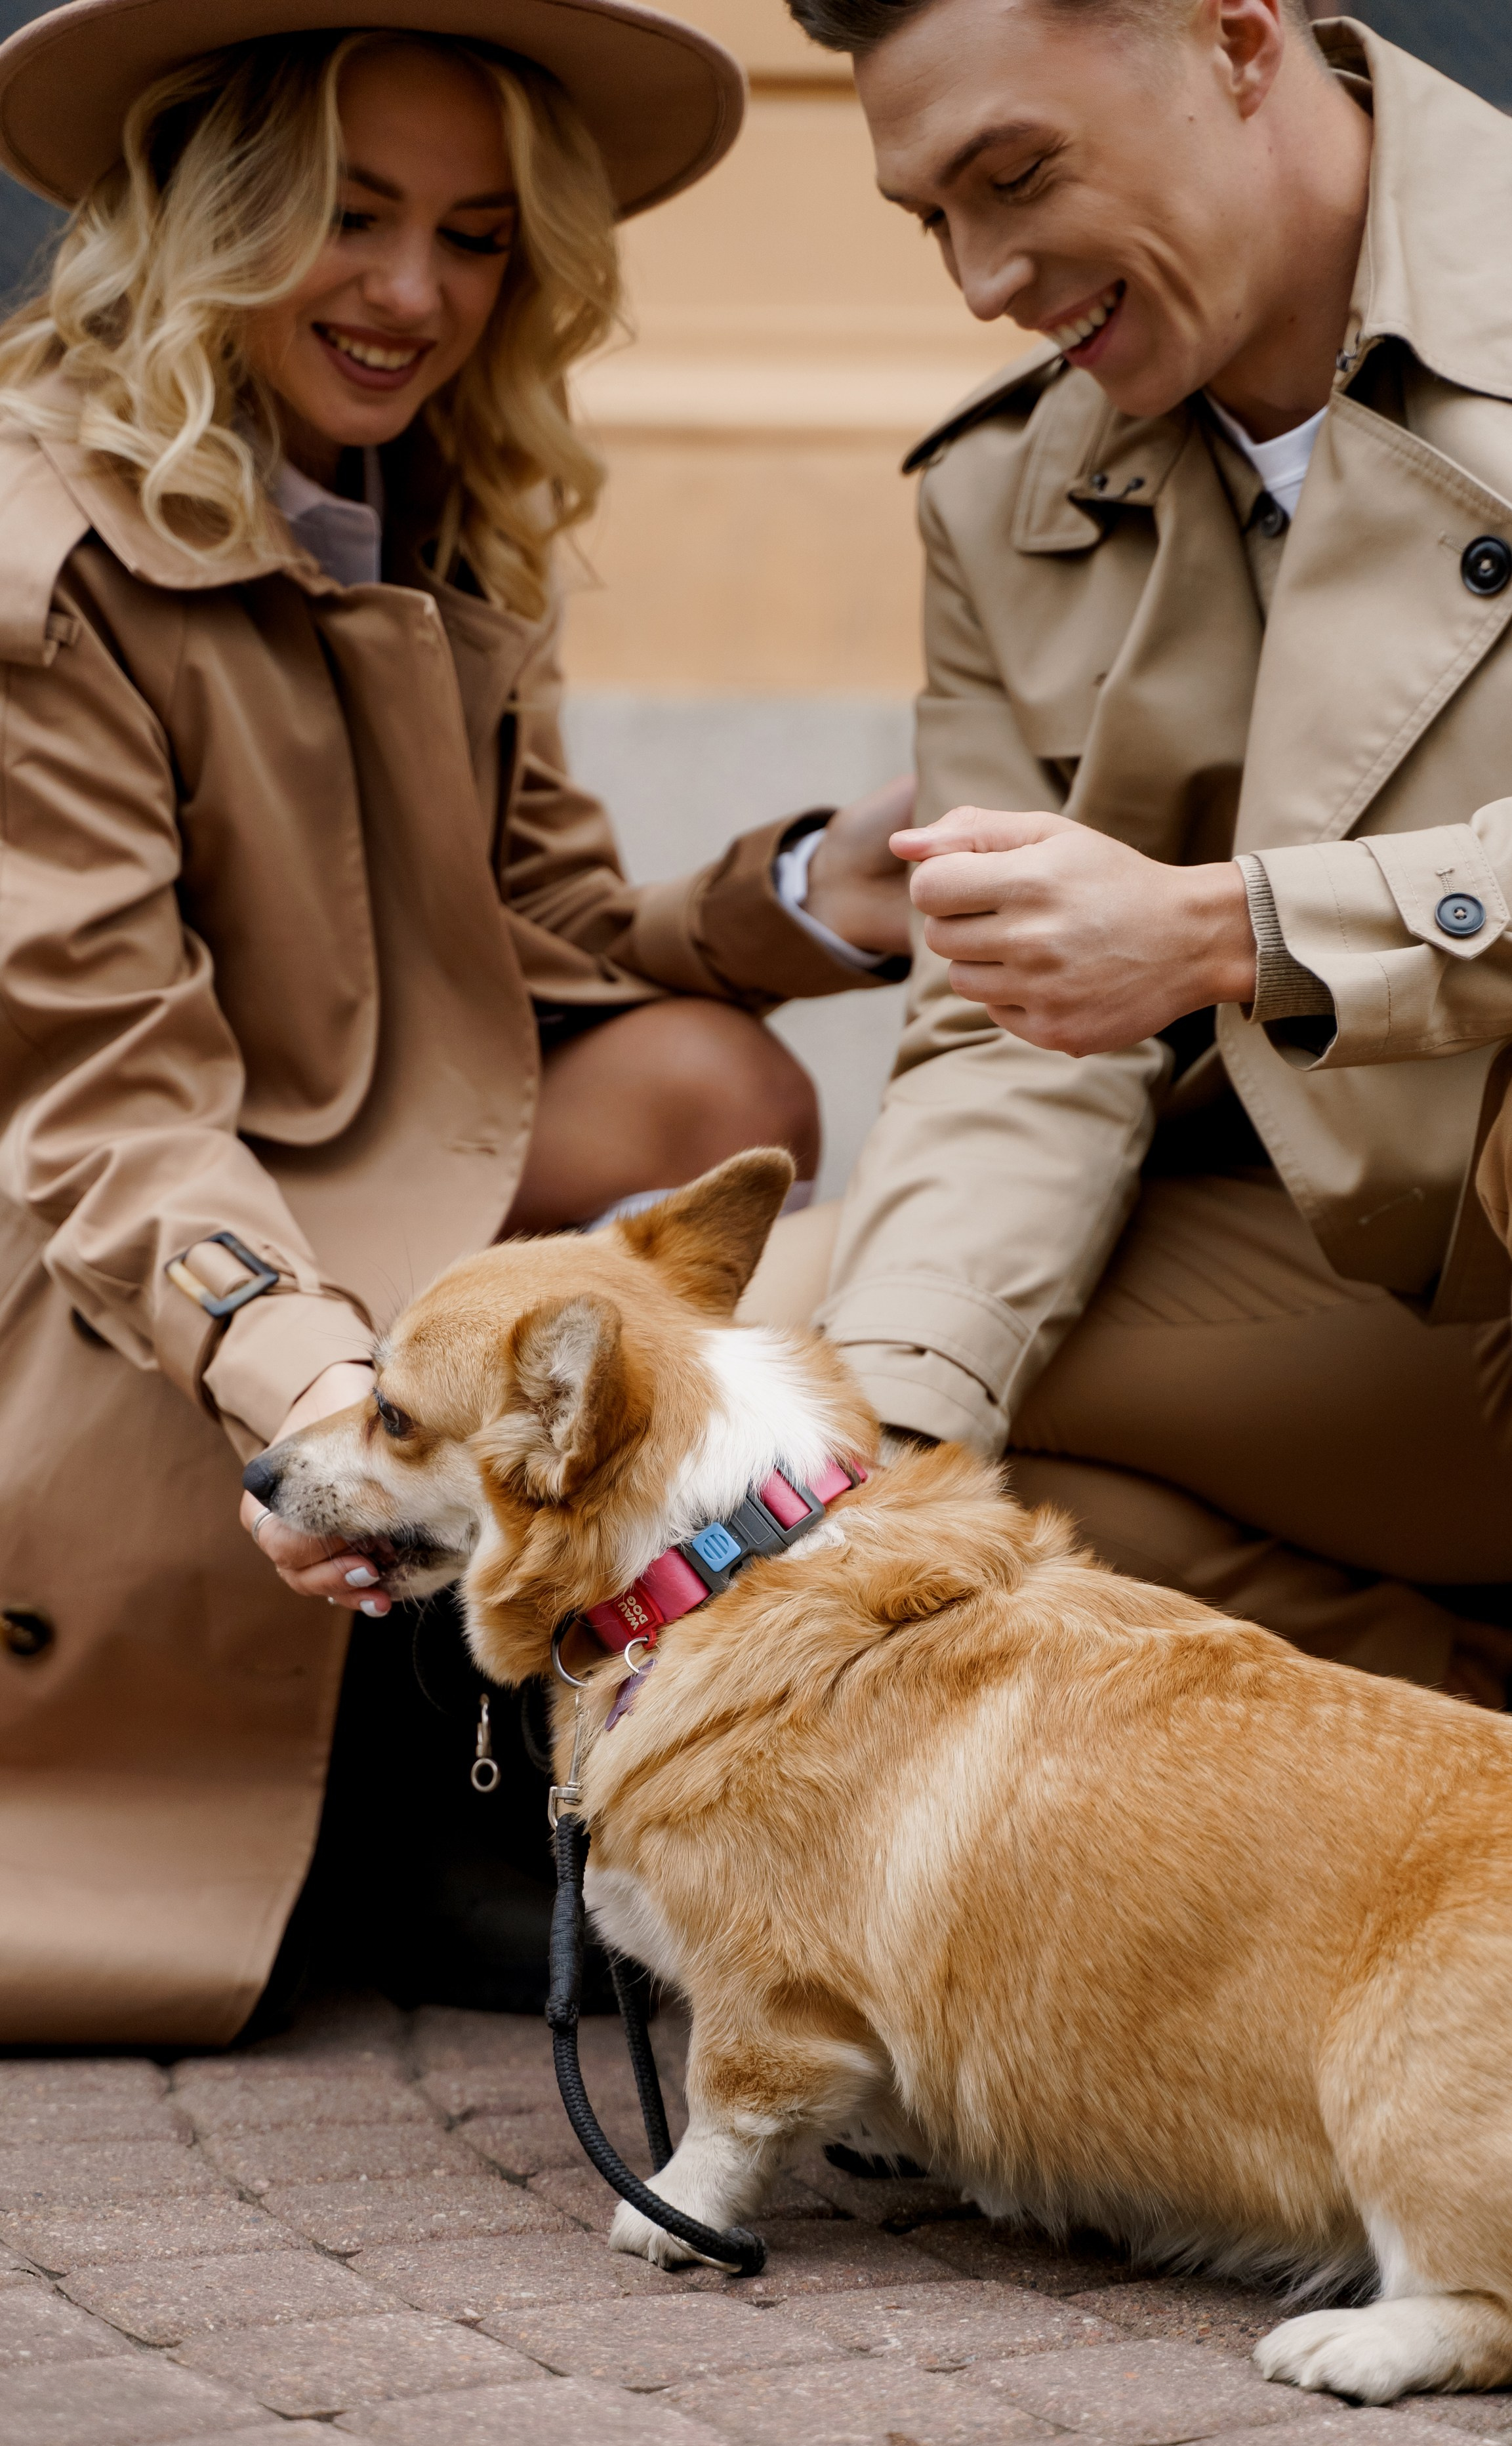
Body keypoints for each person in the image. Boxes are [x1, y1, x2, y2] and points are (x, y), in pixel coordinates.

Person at [0, 0, 913, 2043]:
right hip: (105, 1230)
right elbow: (98, 1100)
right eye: (350, 214)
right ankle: (395, 1773)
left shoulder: (423, 497)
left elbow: (543, 933)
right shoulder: (38, 557)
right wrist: (315, 1389)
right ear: (205, 213)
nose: (415, 294)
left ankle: (479, 1696)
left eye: (480, 235)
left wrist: (803, 888)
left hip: (337, 1169)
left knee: (712, 1089)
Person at [752, 0, 1512, 1705]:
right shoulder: (1002, 496)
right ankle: (1450, 1732)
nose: (975, 276)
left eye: (1012, 176)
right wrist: (878, 1460)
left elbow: (1181, 947)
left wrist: (1240, 931)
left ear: (1237, 41)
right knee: (789, 1374)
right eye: (930, 217)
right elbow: (1007, 1036)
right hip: (1361, 1303)